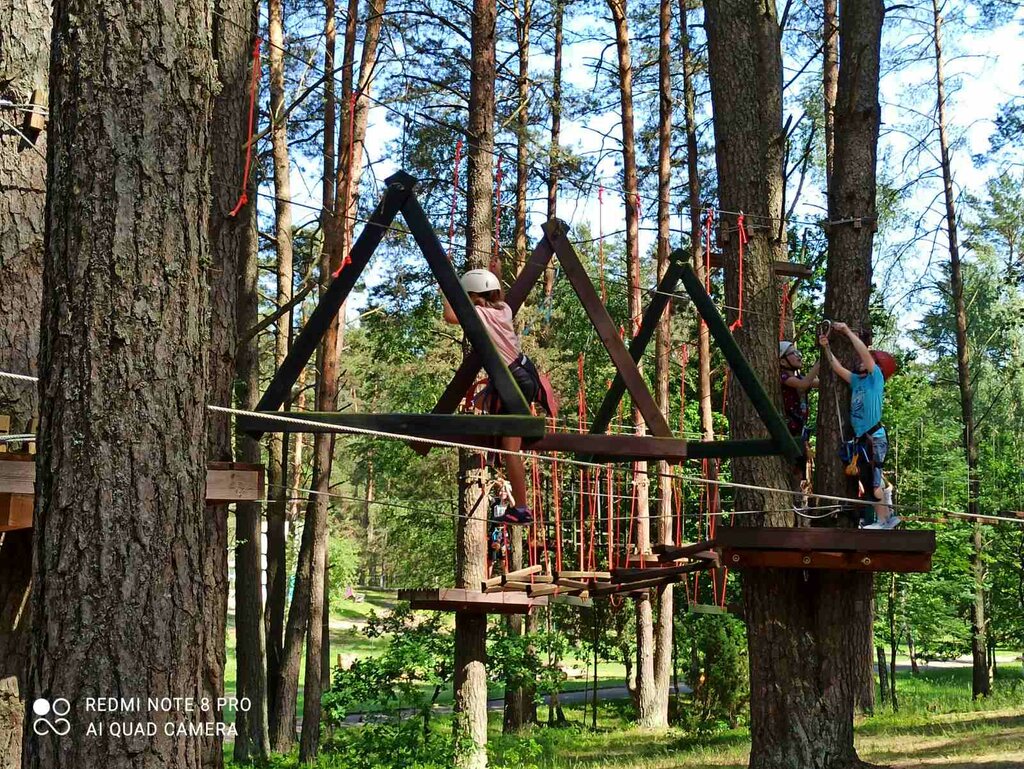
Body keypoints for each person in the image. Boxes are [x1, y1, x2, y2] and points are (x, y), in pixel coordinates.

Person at [442, 268, 551, 525]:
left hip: (513, 379)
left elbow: (449, 316)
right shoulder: (503, 310)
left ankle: (522, 507)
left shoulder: (479, 314)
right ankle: (521, 506)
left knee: (511, 449)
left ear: (472, 295)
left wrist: (449, 289)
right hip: (523, 372)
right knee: (483, 406)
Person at [819, 321, 899, 528]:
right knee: (865, 479)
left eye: (869, 361)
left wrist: (846, 331)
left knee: (873, 482)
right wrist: (826, 347)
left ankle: (885, 520)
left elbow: (864, 353)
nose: (862, 362)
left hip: (874, 438)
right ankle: (882, 516)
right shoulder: (857, 380)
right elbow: (837, 368)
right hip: (861, 439)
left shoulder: (876, 378)